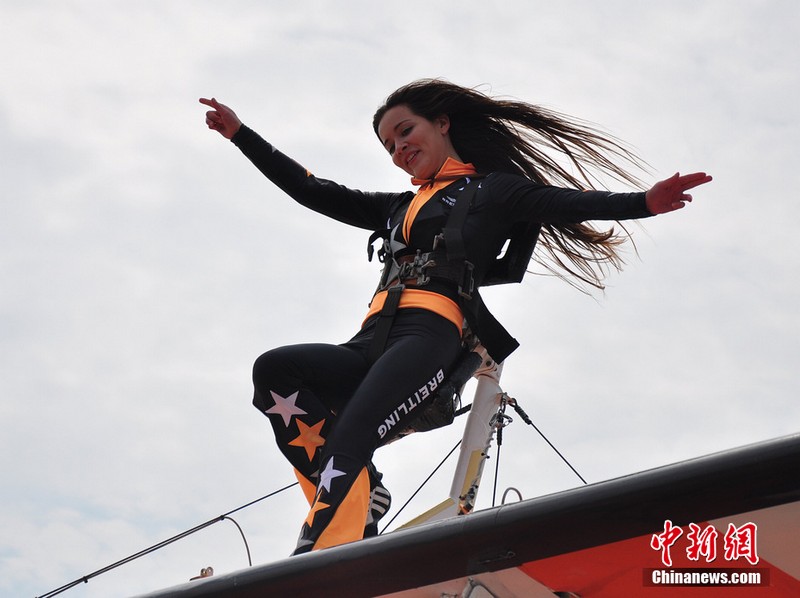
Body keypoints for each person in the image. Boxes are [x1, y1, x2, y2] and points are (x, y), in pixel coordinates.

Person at [199, 79, 711, 556]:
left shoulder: (493, 190)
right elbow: (312, 189)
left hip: (430, 335)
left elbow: (565, 203)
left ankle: (322, 550)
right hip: (372, 338)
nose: (400, 148)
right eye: (389, 145)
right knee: (276, 372)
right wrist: (241, 135)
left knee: (351, 436)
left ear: (442, 123)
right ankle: (362, 494)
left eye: (406, 131)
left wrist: (646, 202)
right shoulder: (397, 206)